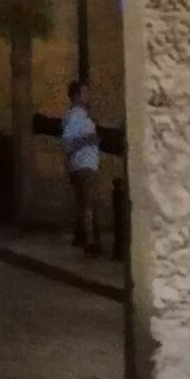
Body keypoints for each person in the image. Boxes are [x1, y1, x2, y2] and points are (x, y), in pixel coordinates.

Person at [60, 80, 105, 253]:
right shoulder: (75, 116)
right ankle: (91, 240)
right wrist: (90, 139)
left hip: (86, 163)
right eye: (85, 92)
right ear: (76, 95)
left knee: (85, 202)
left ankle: (82, 235)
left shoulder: (83, 115)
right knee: (88, 202)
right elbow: (68, 143)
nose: (88, 96)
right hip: (83, 163)